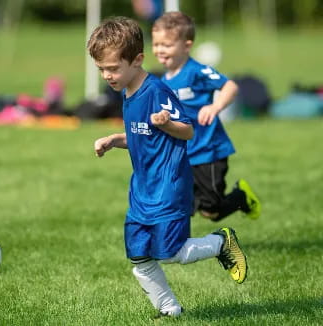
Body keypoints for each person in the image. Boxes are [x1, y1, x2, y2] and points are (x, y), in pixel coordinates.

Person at [87, 16, 248, 318]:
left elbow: (187, 131)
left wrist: (167, 122)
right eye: (101, 69)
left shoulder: (157, 91)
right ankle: (170, 310)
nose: (107, 75)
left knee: (172, 252)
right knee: (140, 259)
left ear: (137, 60)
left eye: (112, 68)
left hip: (168, 187)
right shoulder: (127, 92)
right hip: (142, 190)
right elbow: (140, 135)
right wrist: (113, 140)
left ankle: (220, 242)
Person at [151, 12, 261, 222]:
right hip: (184, 153)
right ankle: (177, 248)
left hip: (209, 152)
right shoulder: (164, 79)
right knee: (181, 205)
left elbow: (230, 86)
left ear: (186, 45)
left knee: (211, 211)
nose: (159, 50)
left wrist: (215, 106)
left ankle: (242, 197)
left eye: (166, 45)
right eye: (156, 45)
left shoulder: (197, 71)